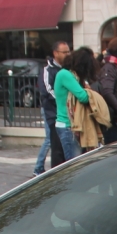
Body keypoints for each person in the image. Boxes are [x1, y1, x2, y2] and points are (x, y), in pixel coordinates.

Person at [34, 42, 70, 175]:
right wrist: (63, 101)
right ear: (56, 53)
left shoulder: (66, 69)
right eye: (64, 52)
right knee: (51, 140)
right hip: (52, 112)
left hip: (64, 113)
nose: (67, 55)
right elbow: (46, 90)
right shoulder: (48, 70)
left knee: (59, 143)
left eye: (68, 52)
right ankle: (39, 168)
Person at [54, 48, 91, 161]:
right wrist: (89, 92)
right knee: (74, 165)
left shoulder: (72, 76)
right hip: (67, 125)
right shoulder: (65, 74)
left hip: (72, 125)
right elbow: (83, 97)